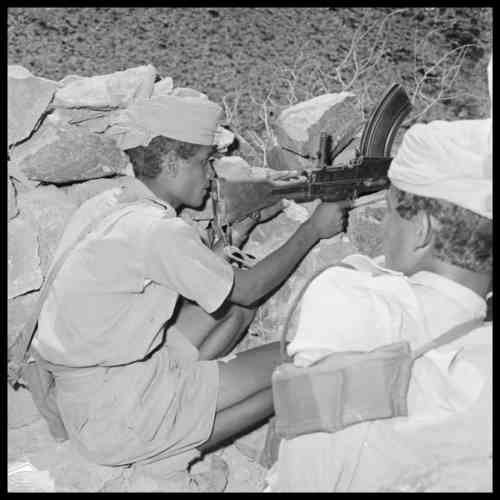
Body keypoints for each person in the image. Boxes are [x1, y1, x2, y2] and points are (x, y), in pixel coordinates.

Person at [31, 94, 347, 490]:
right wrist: (313, 229)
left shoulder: (108, 204)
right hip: (123, 416)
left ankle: (175, 418)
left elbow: (162, 275)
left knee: (234, 313)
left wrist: (229, 242)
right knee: (298, 362)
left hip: (84, 398)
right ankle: (167, 451)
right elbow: (249, 289)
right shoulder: (157, 230)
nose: (211, 174)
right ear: (172, 163)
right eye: (204, 161)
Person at [265, 115, 492, 491]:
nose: (384, 227)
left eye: (389, 211)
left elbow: (304, 472)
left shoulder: (350, 299)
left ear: (421, 229)